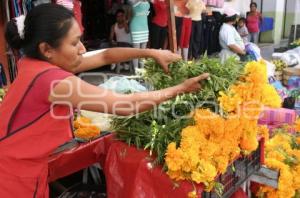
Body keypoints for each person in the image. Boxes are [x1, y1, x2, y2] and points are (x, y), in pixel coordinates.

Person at [0, 4, 209, 197]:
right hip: (14, 177)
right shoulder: (53, 81)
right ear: (47, 49)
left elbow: (105, 56)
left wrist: (151, 52)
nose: (82, 49)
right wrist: (181, 89)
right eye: (74, 43)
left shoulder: (33, 61)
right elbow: (128, 105)